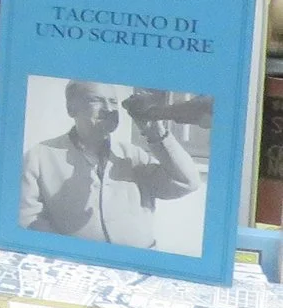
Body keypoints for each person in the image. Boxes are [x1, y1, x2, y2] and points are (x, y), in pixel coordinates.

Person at [20, 79, 201, 249]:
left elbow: (188, 183)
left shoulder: (133, 155)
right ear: (71, 109)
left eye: (113, 102)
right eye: (96, 100)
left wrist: (156, 133)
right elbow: (27, 218)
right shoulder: (39, 156)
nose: (108, 109)